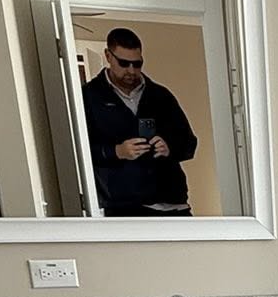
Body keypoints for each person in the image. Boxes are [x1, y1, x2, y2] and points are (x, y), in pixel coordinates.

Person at [80, 27, 200, 216]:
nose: (131, 71)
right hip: (124, 207)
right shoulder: (88, 97)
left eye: (137, 64)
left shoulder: (160, 95)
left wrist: (169, 148)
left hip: (173, 204)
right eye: (124, 63)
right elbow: (79, 152)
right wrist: (117, 151)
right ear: (108, 56)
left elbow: (189, 143)